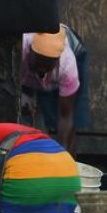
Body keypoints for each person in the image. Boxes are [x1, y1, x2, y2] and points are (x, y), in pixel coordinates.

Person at [20, 25, 89, 154]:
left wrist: (61, 154)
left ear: (56, 61)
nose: (41, 70)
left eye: (47, 66)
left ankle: (68, 163)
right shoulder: (20, 49)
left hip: (73, 52)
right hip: (27, 71)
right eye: (38, 64)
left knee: (68, 119)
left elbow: (66, 115)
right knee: (24, 113)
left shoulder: (67, 65)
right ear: (31, 52)